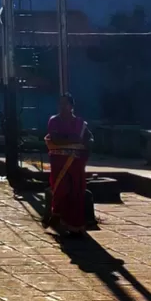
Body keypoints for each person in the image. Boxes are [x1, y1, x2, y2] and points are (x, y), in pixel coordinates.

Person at [45, 93, 93, 235]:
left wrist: (81, 143)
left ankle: (76, 226)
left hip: (76, 163)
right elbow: (55, 139)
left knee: (76, 192)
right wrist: (74, 140)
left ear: (71, 106)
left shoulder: (80, 123)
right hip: (60, 163)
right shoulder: (54, 120)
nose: (62, 107)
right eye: (60, 104)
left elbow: (87, 139)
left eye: (65, 104)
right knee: (61, 190)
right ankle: (59, 222)